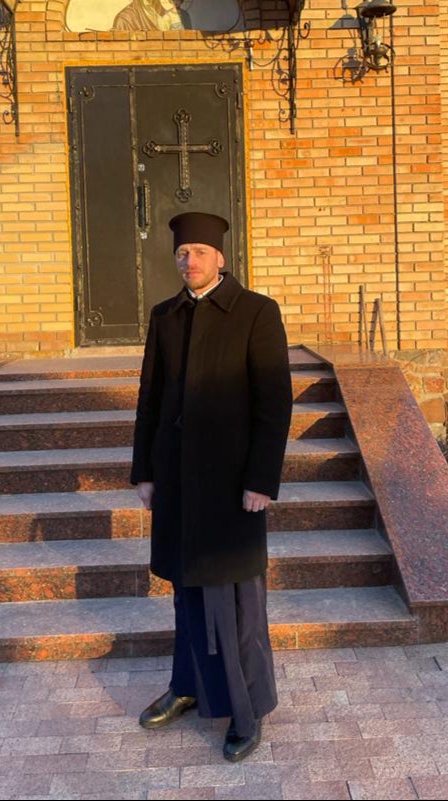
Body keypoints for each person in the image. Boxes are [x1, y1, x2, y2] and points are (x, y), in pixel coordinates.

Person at [130, 211, 293, 762]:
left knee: (235, 604)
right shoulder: (166, 316)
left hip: (231, 486)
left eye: (198, 251)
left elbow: (275, 404)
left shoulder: (256, 312)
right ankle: (187, 686)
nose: (188, 260)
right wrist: (144, 470)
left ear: (220, 257)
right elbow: (150, 398)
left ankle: (246, 711)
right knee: (185, 591)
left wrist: (261, 480)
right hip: (176, 480)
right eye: (181, 253)